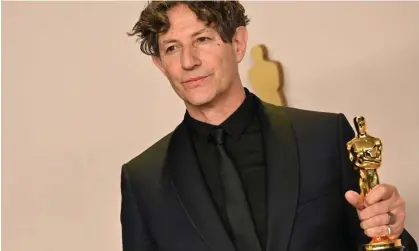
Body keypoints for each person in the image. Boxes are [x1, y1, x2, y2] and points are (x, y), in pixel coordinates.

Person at [120, 1, 417, 251]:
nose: (188, 61)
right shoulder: (142, 181)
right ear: (160, 65)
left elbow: (378, 239)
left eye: (202, 39)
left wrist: (391, 230)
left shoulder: (324, 138)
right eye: (172, 48)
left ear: (237, 44)